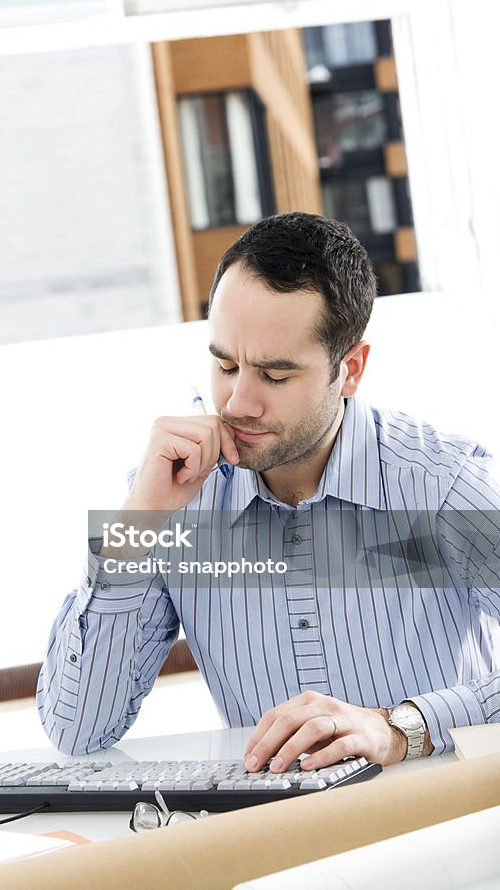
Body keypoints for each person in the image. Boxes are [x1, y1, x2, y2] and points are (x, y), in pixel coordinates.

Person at [37, 212, 500, 773]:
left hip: (434, 834)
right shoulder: (174, 498)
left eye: (275, 377)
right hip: (275, 840)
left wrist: (399, 727)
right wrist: (138, 521)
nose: (237, 403)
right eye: (226, 365)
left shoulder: (444, 485)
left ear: (349, 369)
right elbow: (77, 728)